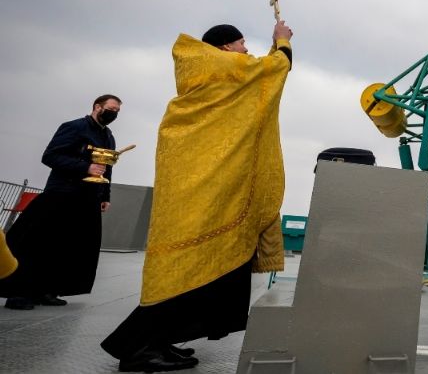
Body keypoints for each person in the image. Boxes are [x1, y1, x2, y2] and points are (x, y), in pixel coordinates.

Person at [101, 20, 293, 372]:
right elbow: (272, 70)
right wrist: (281, 42)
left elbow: (259, 74)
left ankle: (161, 341)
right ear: (223, 49)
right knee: (187, 269)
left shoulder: (217, 74)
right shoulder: (223, 69)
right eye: (240, 44)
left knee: (203, 268)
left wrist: (273, 49)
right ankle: (136, 348)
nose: (246, 51)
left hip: (209, 191)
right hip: (207, 193)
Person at [0, 95, 122, 310]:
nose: (114, 114)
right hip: (61, 194)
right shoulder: (74, 127)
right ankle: (18, 292)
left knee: (66, 247)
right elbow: (50, 156)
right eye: (111, 109)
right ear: (97, 107)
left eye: (117, 111)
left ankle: (46, 290)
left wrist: (105, 196)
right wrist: (85, 168)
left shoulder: (109, 137)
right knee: (36, 243)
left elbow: (107, 168)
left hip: (88, 199)